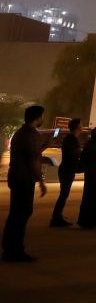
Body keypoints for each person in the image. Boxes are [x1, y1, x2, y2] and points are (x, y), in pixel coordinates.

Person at [2, 105, 47, 262]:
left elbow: (27, 155)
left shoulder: (19, 134)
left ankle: (9, 247)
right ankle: (15, 250)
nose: (43, 119)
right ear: (37, 117)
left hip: (15, 177)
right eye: (42, 116)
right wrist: (41, 181)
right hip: (24, 179)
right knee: (23, 213)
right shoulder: (32, 135)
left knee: (15, 213)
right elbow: (33, 160)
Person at [50, 117, 83, 227]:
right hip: (67, 170)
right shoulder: (71, 139)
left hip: (67, 169)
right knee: (63, 195)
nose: (82, 127)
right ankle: (56, 218)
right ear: (77, 127)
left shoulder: (71, 138)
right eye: (80, 125)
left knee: (64, 194)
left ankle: (57, 216)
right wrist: (82, 153)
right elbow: (75, 154)